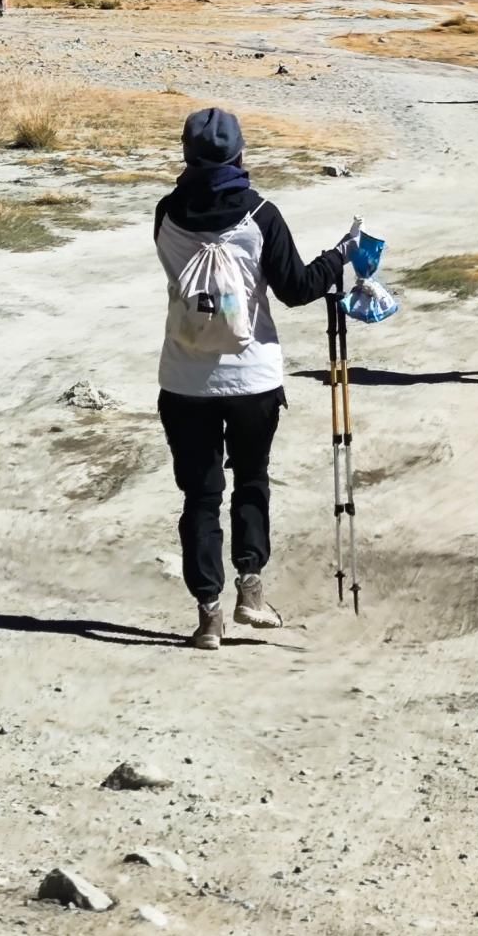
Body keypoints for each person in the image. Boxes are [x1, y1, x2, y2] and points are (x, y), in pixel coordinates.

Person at [154, 105, 363, 649]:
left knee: (199, 497)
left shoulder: (165, 215)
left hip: (184, 380)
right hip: (252, 379)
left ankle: (207, 616)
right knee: (251, 480)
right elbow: (295, 288)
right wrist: (338, 256)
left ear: (186, 154)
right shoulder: (261, 214)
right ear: (240, 154)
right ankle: (251, 590)